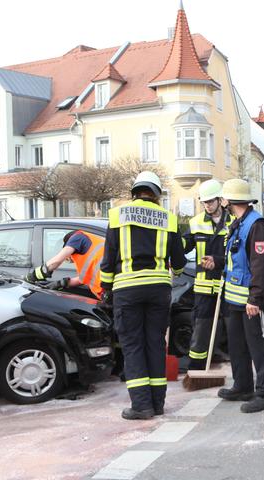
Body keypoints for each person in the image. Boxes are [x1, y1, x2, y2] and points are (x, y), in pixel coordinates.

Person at [99, 171, 186, 420]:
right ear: (157, 194)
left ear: (135, 192)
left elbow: (109, 258)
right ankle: (157, 404)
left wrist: (106, 288)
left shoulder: (117, 216)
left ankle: (141, 406)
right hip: (158, 291)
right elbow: (178, 262)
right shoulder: (168, 218)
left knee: (133, 346)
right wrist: (174, 270)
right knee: (155, 344)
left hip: (127, 290)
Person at [218, 178, 264, 414]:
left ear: (229, 200)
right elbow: (238, 260)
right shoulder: (238, 223)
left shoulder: (256, 225)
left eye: (223, 197)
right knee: (238, 346)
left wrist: (254, 298)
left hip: (252, 302)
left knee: (259, 347)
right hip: (236, 300)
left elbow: (262, 265)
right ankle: (243, 386)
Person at [182, 179, 231, 370]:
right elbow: (185, 246)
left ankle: (238, 367)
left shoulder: (233, 222)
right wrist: (172, 251)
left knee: (231, 328)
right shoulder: (195, 223)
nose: (207, 205)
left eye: (211, 201)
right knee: (201, 327)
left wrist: (218, 261)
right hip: (203, 288)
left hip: (227, 285)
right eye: (204, 202)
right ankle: (197, 367)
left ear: (220, 200)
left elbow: (239, 255)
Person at [24, 230, 106, 299]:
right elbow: (82, 279)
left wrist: (34, 275)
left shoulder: (77, 237)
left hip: (111, 291)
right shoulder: (90, 251)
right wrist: (61, 283)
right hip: (109, 293)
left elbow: (56, 261)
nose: (70, 259)